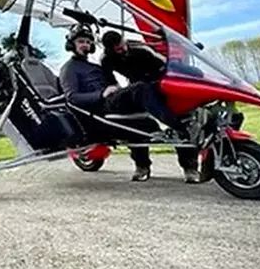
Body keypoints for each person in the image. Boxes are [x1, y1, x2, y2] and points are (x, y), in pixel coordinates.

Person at [60, 26, 200, 183]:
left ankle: (190, 167)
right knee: (140, 88)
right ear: (72, 44)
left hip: (115, 99)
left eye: (87, 42)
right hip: (103, 106)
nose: (85, 45)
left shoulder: (96, 66)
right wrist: (101, 94)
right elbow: (71, 97)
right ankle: (146, 162)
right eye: (80, 42)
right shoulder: (69, 68)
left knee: (161, 106)